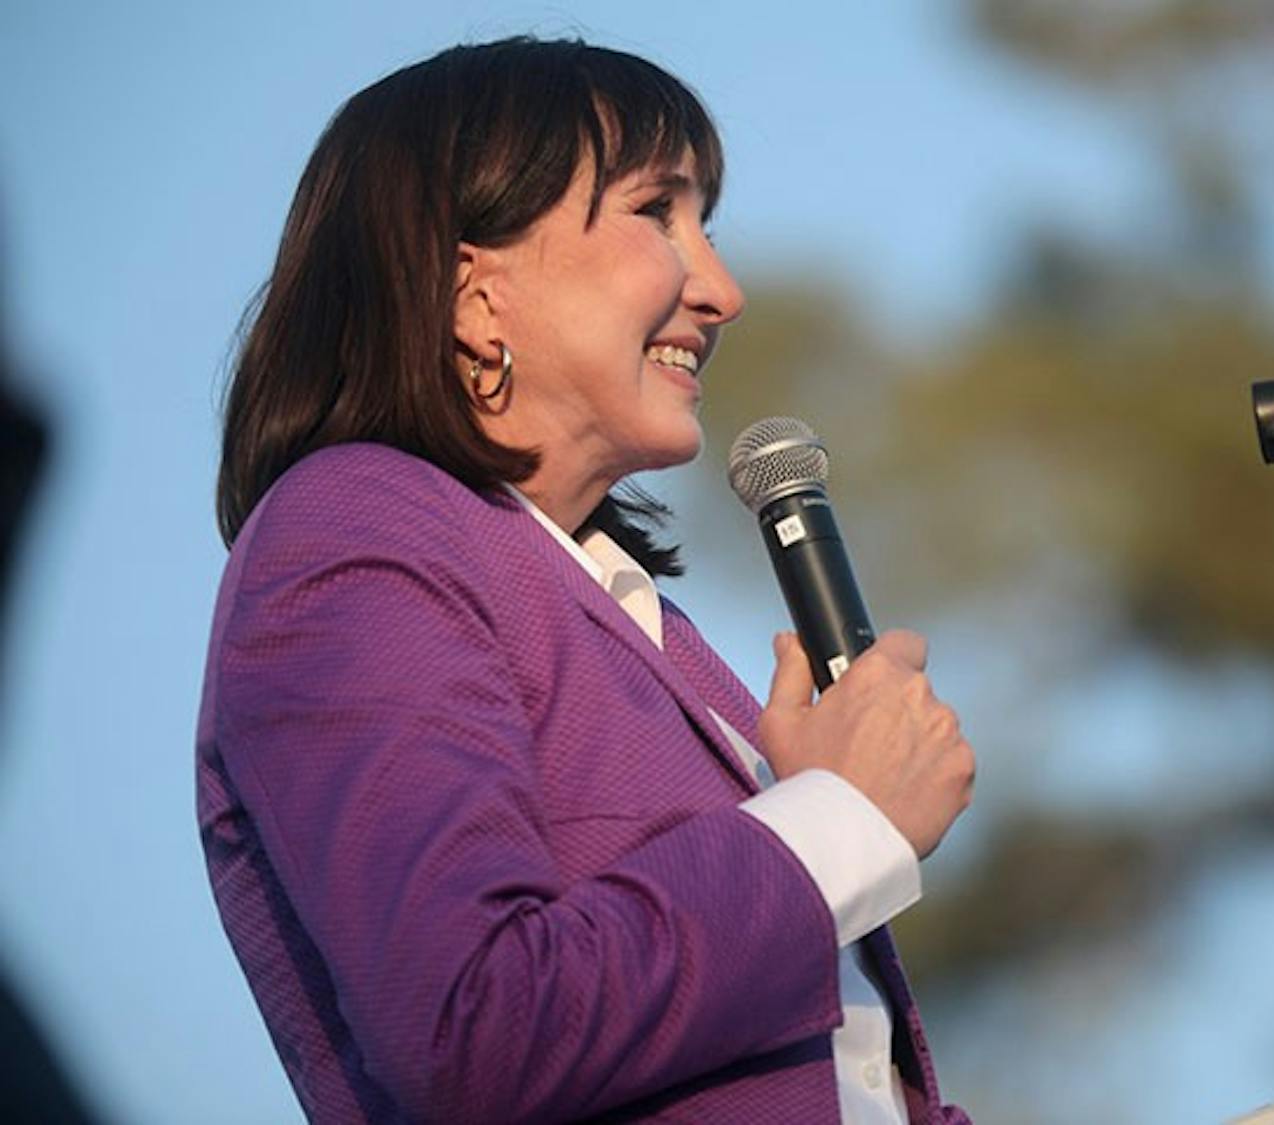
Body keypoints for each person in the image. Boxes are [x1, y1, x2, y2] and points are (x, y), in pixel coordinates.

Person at [198, 37, 974, 1124]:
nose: (722, 290)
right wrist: (835, 821)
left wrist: (807, 806)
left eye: (710, 226)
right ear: (476, 293)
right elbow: (474, 1026)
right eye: (657, 212)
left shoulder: (646, 623)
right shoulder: (351, 533)